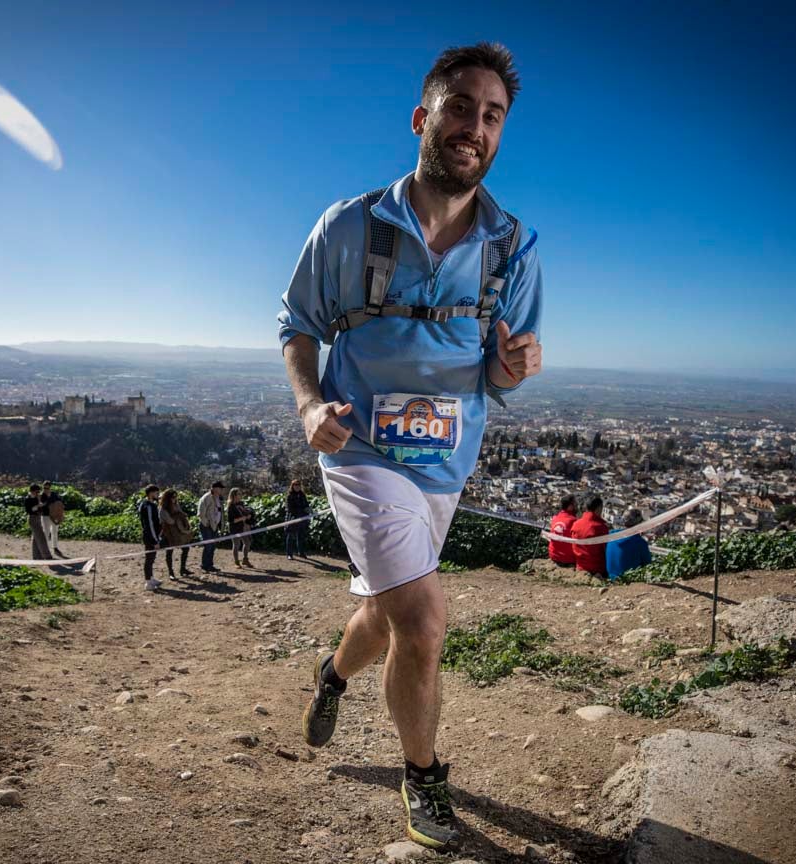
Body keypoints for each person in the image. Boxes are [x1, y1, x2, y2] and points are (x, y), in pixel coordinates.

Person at [277, 43, 543, 850]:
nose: (474, 127)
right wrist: (309, 404)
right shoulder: (349, 225)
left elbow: (499, 372)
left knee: (385, 613)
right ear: (423, 117)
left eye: (492, 115)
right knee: (423, 622)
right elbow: (297, 326)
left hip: (444, 462)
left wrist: (510, 368)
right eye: (460, 106)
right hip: (360, 449)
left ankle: (331, 676)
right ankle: (424, 778)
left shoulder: (513, 247)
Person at [606, 508, 653, 581]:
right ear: (639, 524)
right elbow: (648, 564)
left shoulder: (611, 535)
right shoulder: (640, 543)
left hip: (610, 577)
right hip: (628, 580)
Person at [570, 496, 610, 579]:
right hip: (597, 568)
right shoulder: (601, 527)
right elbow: (606, 550)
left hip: (580, 566)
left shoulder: (576, 524)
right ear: (599, 508)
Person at [159, 488, 195, 580]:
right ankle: (171, 573)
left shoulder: (176, 505)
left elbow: (182, 514)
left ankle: (183, 569)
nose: (175, 499)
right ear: (168, 498)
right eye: (173, 497)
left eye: (176, 497)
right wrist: (178, 516)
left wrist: (181, 516)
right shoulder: (163, 509)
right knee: (169, 552)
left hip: (179, 531)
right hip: (169, 533)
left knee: (186, 548)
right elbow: (170, 521)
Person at [196, 480, 226, 573]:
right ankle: (205, 565)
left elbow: (220, 512)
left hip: (214, 526)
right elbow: (201, 513)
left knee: (212, 546)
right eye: (220, 488)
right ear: (215, 488)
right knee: (208, 546)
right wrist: (206, 523)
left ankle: (210, 565)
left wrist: (220, 525)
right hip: (207, 526)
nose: (221, 490)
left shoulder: (219, 498)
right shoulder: (206, 497)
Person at [137, 485, 163, 591]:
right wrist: (154, 540)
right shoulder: (147, 506)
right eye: (156, 493)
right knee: (149, 559)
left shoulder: (152, 505)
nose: (158, 495)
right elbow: (149, 524)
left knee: (152, 558)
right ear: (151, 493)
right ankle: (148, 582)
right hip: (150, 537)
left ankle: (151, 578)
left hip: (153, 535)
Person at [547, 494, 579, 568]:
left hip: (554, 555)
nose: (576, 506)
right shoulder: (573, 521)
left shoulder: (555, 518)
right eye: (575, 503)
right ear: (570, 506)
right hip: (568, 558)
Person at [227, 487, 255, 568]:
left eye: (240, 493)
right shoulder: (231, 506)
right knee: (236, 544)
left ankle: (245, 559)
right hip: (235, 528)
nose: (240, 495)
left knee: (247, 543)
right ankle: (236, 562)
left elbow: (244, 513)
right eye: (239, 494)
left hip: (244, 527)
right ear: (234, 495)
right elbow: (231, 520)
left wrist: (249, 515)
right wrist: (241, 518)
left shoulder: (241, 504)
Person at [24, 483, 53, 560]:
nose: (38, 493)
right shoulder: (28, 499)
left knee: (36, 539)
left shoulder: (36, 498)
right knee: (41, 537)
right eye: (36, 492)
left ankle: (36, 556)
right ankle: (47, 555)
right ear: (32, 491)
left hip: (38, 518)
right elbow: (29, 510)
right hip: (32, 518)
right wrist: (37, 506)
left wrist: (40, 501)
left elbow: (44, 501)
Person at [285, 479, 311, 559]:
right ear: (292, 486)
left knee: (301, 536)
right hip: (292, 518)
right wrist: (302, 511)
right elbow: (290, 509)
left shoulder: (302, 495)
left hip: (302, 518)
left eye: (298, 485)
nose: (297, 486)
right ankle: (289, 554)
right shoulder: (289, 496)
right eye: (295, 485)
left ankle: (301, 552)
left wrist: (308, 509)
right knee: (290, 536)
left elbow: (306, 504)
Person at [40, 481, 66, 558]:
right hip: (45, 516)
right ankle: (45, 549)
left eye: (47, 488)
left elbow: (59, 502)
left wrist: (60, 513)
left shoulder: (54, 494)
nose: (46, 489)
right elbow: (43, 505)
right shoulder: (42, 495)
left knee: (55, 531)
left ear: (50, 488)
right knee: (46, 532)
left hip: (54, 516)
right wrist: (49, 501)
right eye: (44, 488)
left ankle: (55, 547)